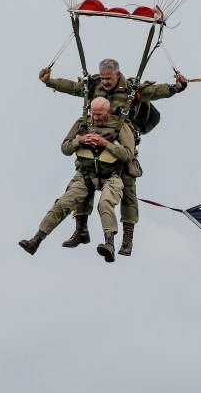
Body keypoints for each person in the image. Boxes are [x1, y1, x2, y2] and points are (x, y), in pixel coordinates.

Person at [37, 58, 187, 256]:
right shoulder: (94, 85)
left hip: (121, 142)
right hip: (96, 139)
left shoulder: (131, 88)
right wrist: (50, 81)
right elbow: (73, 87)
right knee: (83, 179)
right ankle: (81, 231)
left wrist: (176, 87)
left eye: (109, 78)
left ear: (117, 74)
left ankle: (127, 240)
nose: (105, 82)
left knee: (128, 192)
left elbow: (155, 91)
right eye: (103, 78)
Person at [18, 97, 135, 262]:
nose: (95, 118)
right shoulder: (83, 123)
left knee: (105, 203)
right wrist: (79, 140)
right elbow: (65, 148)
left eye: (100, 115)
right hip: (85, 174)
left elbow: (128, 155)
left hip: (111, 175)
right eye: (93, 114)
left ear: (108, 112)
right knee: (63, 203)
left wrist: (105, 143)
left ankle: (110, 243)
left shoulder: (120, 126)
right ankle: (36, 240)